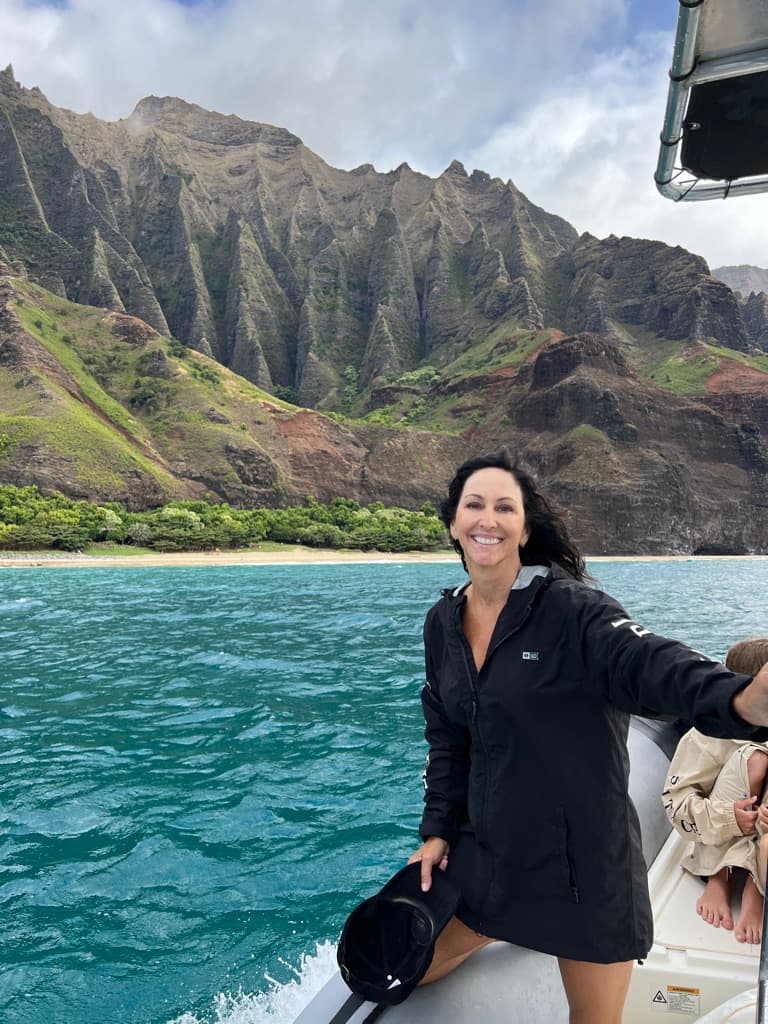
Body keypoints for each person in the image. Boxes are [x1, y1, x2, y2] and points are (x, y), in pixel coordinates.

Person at [406, 449, 768, 1024]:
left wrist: (742, 699)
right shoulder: (442, 623)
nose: (488, 519)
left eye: (505, 507)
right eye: (474, 505)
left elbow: (645, 661)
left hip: (582, 867)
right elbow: (447, 739)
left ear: (525, 528)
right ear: (453, 523)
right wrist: (436, 832)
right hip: (493, 858)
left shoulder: (573, 611)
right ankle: (493, 927)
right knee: (397, 963)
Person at [662, 637, 768, 945]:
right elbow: (677, 804)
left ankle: (755, 885)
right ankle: (719, 876)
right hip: (722, 824)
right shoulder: (706, 736)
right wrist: (729, 817)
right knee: (754, 759)